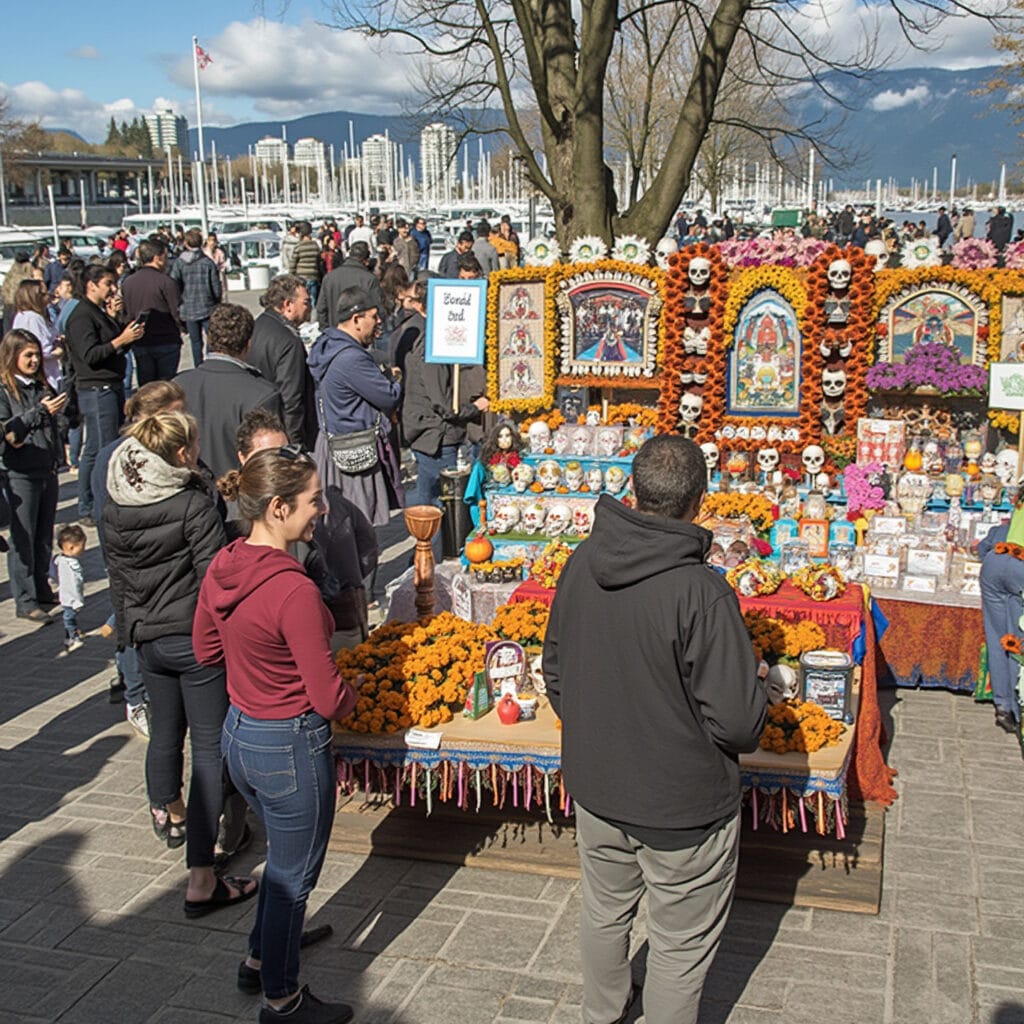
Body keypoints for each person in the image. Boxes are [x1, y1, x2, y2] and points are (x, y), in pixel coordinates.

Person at [543, 434, 767, 1024]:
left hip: (598, 785)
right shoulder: (700, 592)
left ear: (633, 491)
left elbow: (556, 672)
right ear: (699, 501)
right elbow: (740, 723)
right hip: (682, 806)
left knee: (604, 910)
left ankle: (603, 1013)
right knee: (679, 942)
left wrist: (600, 731)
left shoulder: (583, 561)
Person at [194, 447, 358, 1023]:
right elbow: (328, 697)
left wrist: (255, 666)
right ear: (280, 507)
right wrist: (353, 686)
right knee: (293, 876)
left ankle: (261, 958)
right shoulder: (295, 593)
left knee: (282, 866)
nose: (321, 510)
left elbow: (206, 650)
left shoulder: (224, 563)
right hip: (289, 744)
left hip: (239, 733)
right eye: (314, 501)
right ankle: (283, 1000)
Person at [103, 410, 258, 914]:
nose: (198, 454)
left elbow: (119, 582)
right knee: (210, 748)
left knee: (166, 732)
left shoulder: (116, 504)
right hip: (193, 640)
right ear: (178, 454)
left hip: (147, 640)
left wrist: (129, 636)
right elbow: (216, 576)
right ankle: (201, 872)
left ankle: (166, 811)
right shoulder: (191, 502)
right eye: (192, 447)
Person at [93, 379, 188, 727]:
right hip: (131, 559)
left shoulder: (177, 449)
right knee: (131, 624)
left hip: (165, 558)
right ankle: (135, 696)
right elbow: (104, 514)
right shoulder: (113, 456)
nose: (184, 421)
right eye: (176, 414)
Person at [307, 286, 403, 528]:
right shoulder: (351, 358)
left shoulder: (328, 344)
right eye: (374, 316)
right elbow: (388, 396)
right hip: (354, 451)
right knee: (358, 527)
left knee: (345, 525)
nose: (379, 321)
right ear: (356, 319)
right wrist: (395, 380)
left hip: (335, 445)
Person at [64, 264, 145, 524]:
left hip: (109, 385)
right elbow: (90, 355)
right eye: (108, 284)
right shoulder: (81, 316)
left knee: (101, 444)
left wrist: (117, 320)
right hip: (96, 389)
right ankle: (90, 504)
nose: (113, 289)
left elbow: (110, 346)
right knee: (100, 447)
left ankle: (93, 500)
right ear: (92, 285)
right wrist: (121, 339)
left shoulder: (97, 312)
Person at [400, 279, 489, 510]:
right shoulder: (433, 348)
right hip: (436, 437)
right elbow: (444, 404)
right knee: (439, 504)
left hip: (437, 435)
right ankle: (435, 546)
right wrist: (475, 408)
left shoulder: (436, 342)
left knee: (436, 501)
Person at [0, 329, 67, 622]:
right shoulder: (5, 391)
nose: (34, 360)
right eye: (27, 355)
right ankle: (25, 599)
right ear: (12, 356)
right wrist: (38, 413)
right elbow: (10, 433)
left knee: (43, 536)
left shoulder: (42, 387)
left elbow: (57, 425)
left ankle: (41, 588)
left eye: (37, 354)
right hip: (20, 473)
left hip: (46, 468)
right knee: (23, 538)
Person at [174, 303, 283, 480]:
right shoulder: (262, 394)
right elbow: (267, 465)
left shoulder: (178, 385)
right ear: (248, 344)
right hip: (238, 495)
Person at [248, 275, 317, 447]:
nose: (310, 308)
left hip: (258, 426)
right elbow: (292, 400)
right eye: (306, 302)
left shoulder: (258, 325)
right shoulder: (288, 341)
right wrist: (294, 446)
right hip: (281, 431)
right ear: (287, 305)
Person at [979, 487, 1024, 733]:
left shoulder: (1018, 508)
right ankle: (1018, 711)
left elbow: (988, 542)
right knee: (1018, 641)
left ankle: (1003, 706)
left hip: (996, 563)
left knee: (998, 638)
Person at [121, 237, 184, 384]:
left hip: (140, 341)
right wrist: (183, 326)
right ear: (158, 258)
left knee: (147, 386)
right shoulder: (166, 282)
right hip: (166, 339)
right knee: (166, 387)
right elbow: (177, 311)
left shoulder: (128, 282)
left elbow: (126, 312)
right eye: (165, 256)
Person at [170, 228, 222, 367]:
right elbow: (216, 286)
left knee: (195, 341)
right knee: (211, 338)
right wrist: (217, 301)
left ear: (186, 243)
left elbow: (174, 283)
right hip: (207, 305)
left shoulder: (179, 263)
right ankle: (211, 363)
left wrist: (179, 302)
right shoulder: (207, 262)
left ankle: (198, 365)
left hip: (188, 306)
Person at [315, 241, 384, 330]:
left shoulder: (329, 278)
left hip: (335, 332)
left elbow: (321, 309)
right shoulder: (369, 279)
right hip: (360, 333)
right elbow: (377, 308)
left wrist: (326, 330)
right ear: (366, 261)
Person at [12, 279, 62, 389]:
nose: (48, 296)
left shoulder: (23, 315)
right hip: (45, 374)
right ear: (33, 297)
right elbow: (44, 350)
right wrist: (59, 350)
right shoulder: (33, 318)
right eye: (43, 294)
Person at [54, 523, 87, 652]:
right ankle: (74, 637)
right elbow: (75, 583)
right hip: (70, 597)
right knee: (69, 618)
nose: (83, 550)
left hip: (65, 596)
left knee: (69, 616)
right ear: (71, 547)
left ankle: (69, 637)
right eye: (82, 547)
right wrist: (77, 600)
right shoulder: (71, 564)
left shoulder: (59, 560)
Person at [287, 222, 322, 306]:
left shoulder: (299, 246)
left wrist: (290, 276)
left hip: (301, 277)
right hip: (313, 276)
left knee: (302, 301)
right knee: (313, 301)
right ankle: (312, 318)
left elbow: (293, 264)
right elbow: (319, 261)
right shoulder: (315, 245)